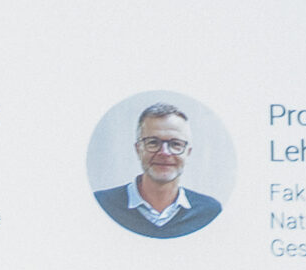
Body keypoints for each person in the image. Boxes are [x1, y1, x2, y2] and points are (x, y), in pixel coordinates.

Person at [93, 102, 222, 238]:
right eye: (153, 142)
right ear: (138, 150)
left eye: (175, 144)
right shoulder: (101, 205)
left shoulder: (209, 212)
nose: (164, 152)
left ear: (188, 153)